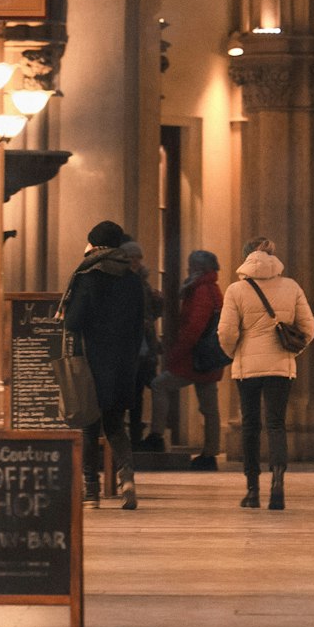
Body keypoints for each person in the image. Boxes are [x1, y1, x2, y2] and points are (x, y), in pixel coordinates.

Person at [217, 237, 314, 512]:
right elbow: (308, 327)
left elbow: (226, 332)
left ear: (247, 257)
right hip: (281, 367)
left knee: (250, 426)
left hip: (247, 367)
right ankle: (278, 485)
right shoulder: (291, 287)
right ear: (273, 256)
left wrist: (234, 353)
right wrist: (290, 353)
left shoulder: (236, 289)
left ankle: (251, 490)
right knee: (276, 424)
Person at [60, 218, 145, 510]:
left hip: (92, 362)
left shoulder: (88, 275)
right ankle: (128, 478)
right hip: (123, 363)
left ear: (94, 244)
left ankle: (91, 492)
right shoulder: (133, 279)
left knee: (88, 427)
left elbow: (72, 322)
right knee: (115, 425)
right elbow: (140, 323)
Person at [140, 250, 224, 468]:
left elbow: (194, 326)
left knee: (159, 385)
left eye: (190, 265)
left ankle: (157, 435)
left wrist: (176, 352)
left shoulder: (201, 290)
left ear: (198, 268)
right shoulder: (211, 289)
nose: (187, 269)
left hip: (194, 357)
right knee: (209, 407)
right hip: (208, 357)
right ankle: (210, 454)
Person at [121, 238, 164, 448]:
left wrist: (158, 303)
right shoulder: (120, 281)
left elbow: (152, 312)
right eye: (131, 258)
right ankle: (123, 437)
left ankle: (136, 437)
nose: (135, 262)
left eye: (138, 258)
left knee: (138, 393)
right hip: (126, 346)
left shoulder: (143, 283)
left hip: (144, 346)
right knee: (124, 394)